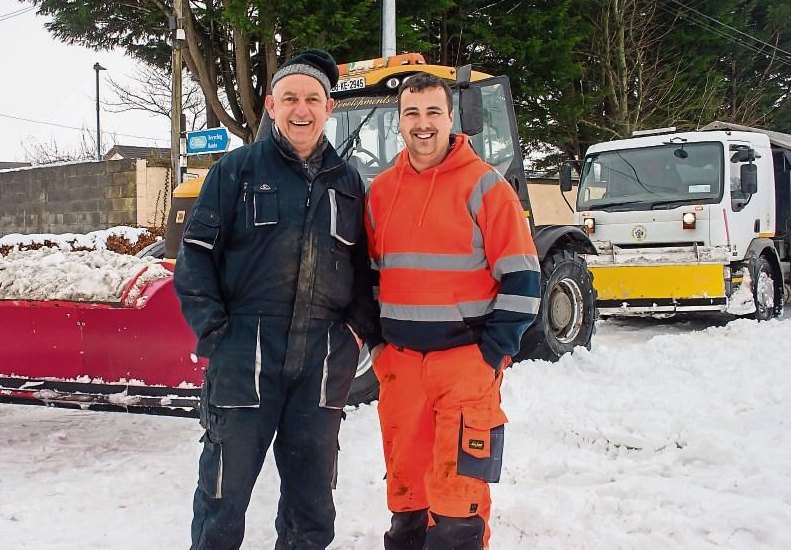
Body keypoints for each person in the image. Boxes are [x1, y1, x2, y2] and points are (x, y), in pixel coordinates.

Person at [174, 48, 384, 550]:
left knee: (312, 504)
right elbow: (195, 258)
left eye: (312, 98)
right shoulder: (236, 171)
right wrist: (217, 332)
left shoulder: (349, 182)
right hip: (246, 353)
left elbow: (363, 270)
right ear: (271, 105)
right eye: (290, 97)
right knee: (223, 498)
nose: (301, 109)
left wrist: (353, 333)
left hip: (321, 358)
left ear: (329, 107)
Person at [365, 73, 541, 549]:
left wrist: (492, 355)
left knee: (458, 496)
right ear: (399, 120)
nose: (422, 124)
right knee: (406, 492)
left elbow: (524, 281)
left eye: (432, 112)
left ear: (451, 118)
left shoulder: (487, 187)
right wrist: (377, 347)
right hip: (400, 367)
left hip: (465, 364)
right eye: (412, 113)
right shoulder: (380, 192)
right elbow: (367, 280)